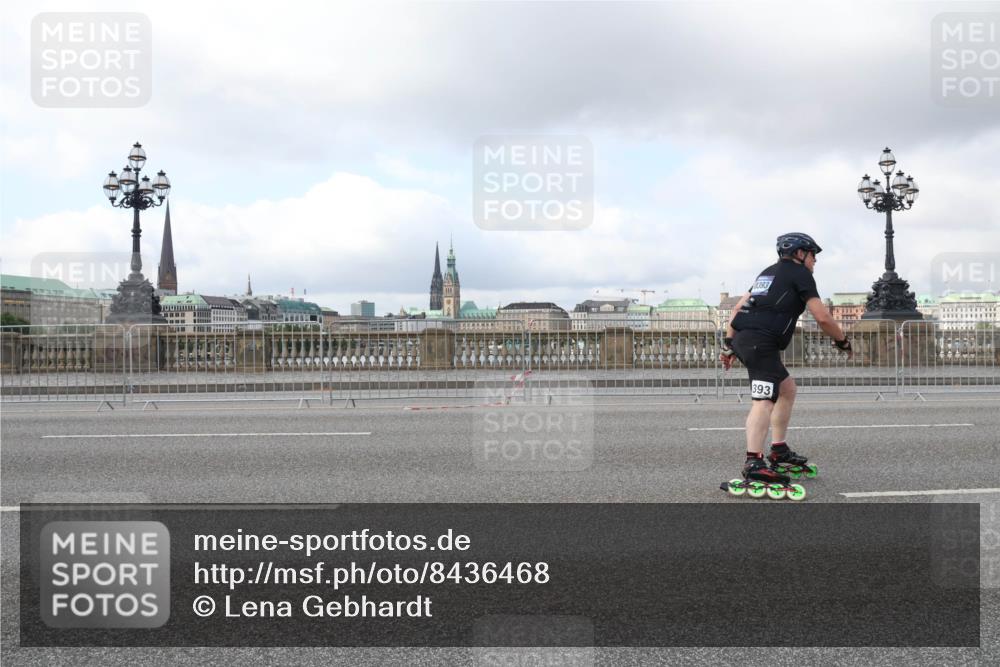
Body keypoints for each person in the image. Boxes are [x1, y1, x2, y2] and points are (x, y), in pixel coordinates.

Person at [720, 233, 853, 485]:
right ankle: (754, 463)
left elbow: (738, 308)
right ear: (801, 254)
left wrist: (729, 346)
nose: (815, 261)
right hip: (761, 343)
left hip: (746, 339)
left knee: (787, 389)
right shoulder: (801, 274)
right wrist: (842, 341)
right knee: (762, 402)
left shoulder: (767, 273)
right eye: (813, 255)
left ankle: (778, 450)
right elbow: (822, 317)